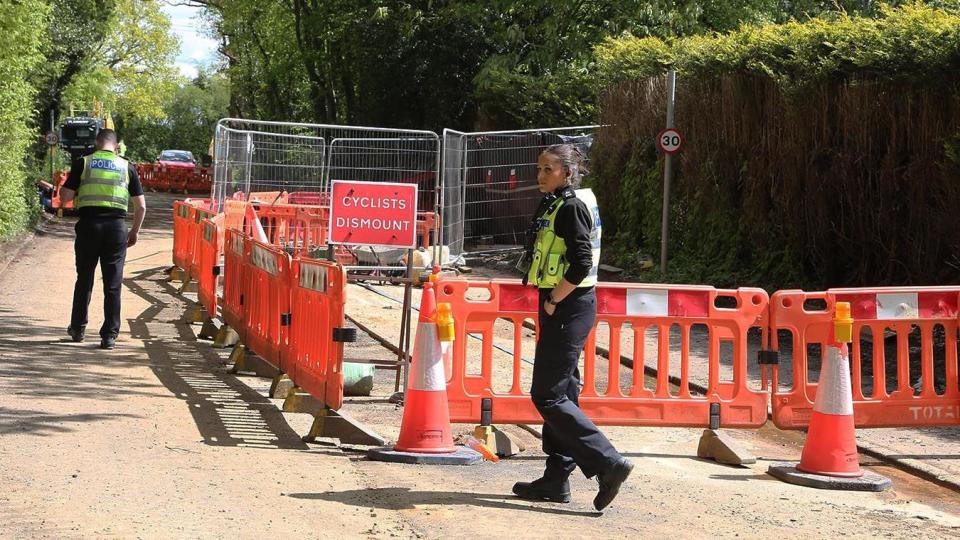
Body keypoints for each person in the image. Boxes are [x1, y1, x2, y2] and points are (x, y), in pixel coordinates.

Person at [512, 144, 633, 511]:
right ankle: (556, 479)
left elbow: (581, 263)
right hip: (562, 304)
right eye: (539, 168)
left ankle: (608, 462)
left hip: (567, 304)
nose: (541, 174)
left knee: (547, 395)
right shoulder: (557, 202)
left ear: (567, 171)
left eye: (548, 168)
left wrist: (554, 300)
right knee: (565, 391)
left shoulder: (571, 207)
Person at [60, 129, 146, 349]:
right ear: (116, 146)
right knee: (113, 283)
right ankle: (109, 335)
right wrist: (134, 231)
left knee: (84, 278)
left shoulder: (84, 163)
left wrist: (73, 195)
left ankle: (78, 329)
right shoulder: (127, 166)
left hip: (89, 226)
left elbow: (66, 197)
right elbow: (141, 206)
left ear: (97, 143)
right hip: (116, 229)